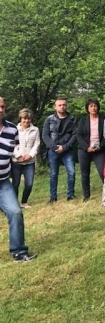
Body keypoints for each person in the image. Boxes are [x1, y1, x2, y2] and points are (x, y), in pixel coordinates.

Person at [0, 98, 36, 262]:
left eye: (2, 106)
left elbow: (11, 152)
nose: (0, 109)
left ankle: (19, 252)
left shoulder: (12, 129)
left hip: (3, 182)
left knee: (15, 212)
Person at [42, 98, 78, 203]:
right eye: (60, 105)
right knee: (53, 174)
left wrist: (65, 147)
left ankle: (70, 195)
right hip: (53, 150)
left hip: (68, 150)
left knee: (71, 172)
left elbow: (75, 135)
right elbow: (45, 135)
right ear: (55, 107)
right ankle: (53, 197)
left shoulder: (72, 119)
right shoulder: (49, 119)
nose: (62, 107)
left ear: (66, 106)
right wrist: (54, 147)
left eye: (64, 105)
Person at [77, 98, 105, 202]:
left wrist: (101, 146)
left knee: (103, 172)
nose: (93, 108)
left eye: (95, 106)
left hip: (99, 149)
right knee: (85, 173)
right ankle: (86, 196)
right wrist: (86, 147)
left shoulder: (103, 119)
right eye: (91, 106)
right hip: (84, 150)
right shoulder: (83, 120)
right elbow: (79, 135)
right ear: (87, 108)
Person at [11, 108, 40, 209]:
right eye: (24, 118)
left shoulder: (35, 130)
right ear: (20, 118)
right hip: (16, 162)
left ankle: (24, 202)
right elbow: (11, 144)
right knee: (15, 183)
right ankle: (14, 203)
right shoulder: (14, 129)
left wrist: (30, 155)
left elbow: (37, 144)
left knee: (29, 184)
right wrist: (18, 156)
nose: (26, 121)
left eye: (28, 119)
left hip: (29, 162)